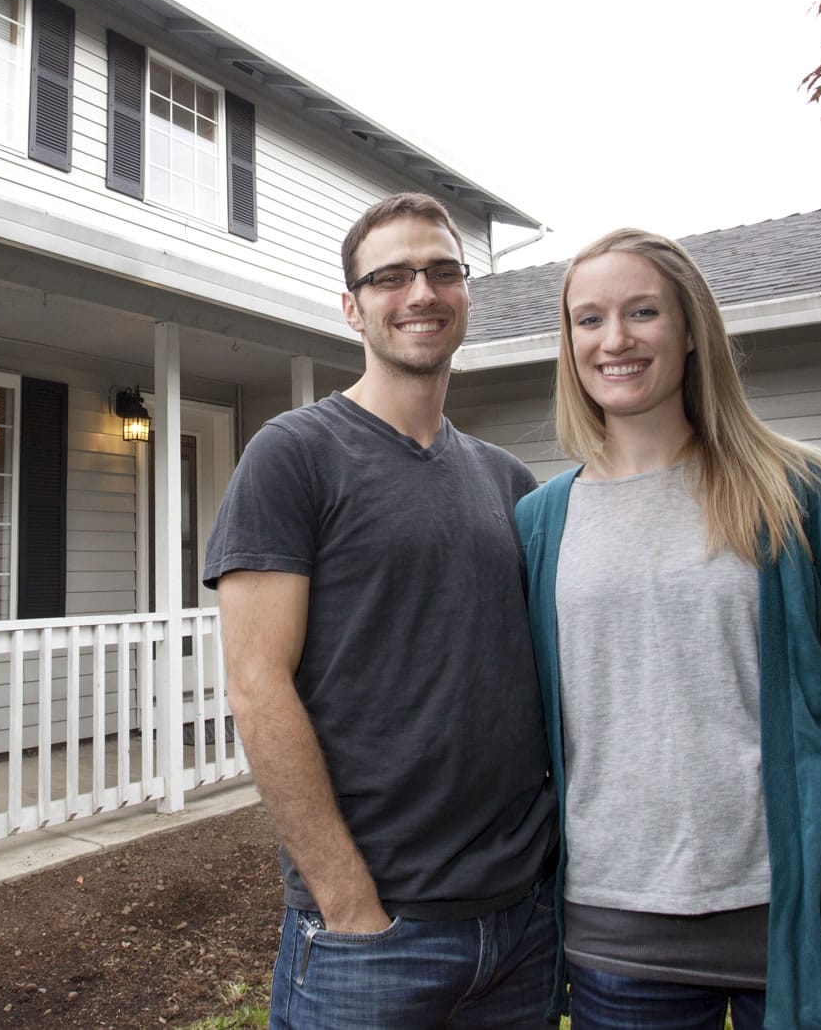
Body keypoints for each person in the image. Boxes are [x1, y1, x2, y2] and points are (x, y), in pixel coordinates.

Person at [513, 228, 821, 1030]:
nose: (614, 339)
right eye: (588, 319)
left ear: (691, 330)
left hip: (795, 918)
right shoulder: (538, 523)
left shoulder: (791, 491)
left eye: (642, 311)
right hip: (618, 931)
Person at [205, 193, 559, 1028]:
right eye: (391, 275)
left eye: (442, 271)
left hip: (522, 923)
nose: (421, 292)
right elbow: (257, 685)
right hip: (374, 936)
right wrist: (348, 900)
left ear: (467, 291)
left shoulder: (510, 482)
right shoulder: (294, 454)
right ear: (353, 306)